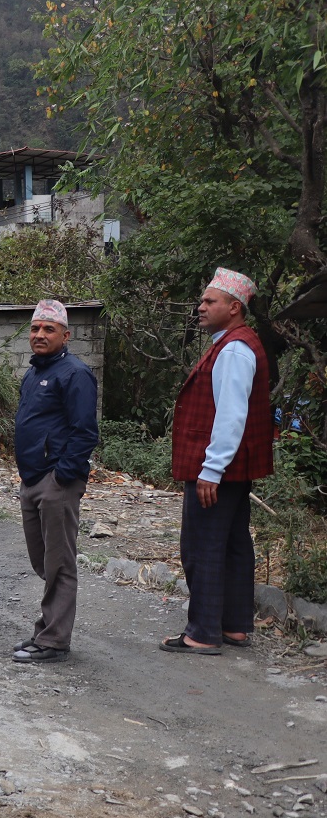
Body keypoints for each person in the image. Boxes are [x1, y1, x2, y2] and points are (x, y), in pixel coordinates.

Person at [162, 267, 273, 655]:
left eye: (210, 301)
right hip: (233, 469)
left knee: (203, 545)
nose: (201, 307)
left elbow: (231, 415)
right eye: (202, 301)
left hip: (218, 470)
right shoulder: (234, 343)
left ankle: (203, 632)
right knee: (233, 543)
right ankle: (234, 626)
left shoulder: (235, 349)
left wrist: (211, 469)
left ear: (234, 307)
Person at [8, 299, 99, 664]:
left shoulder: (75, 374)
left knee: (59, 562)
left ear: (66, 335)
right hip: (32, 478)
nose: (40, 334)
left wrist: (62, 475)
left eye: (49, 329)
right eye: (35, 328)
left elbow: (85, 431)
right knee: (43, 560)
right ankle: (47, 629)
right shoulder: (33, 373)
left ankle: (54, 640)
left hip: (56, 481)